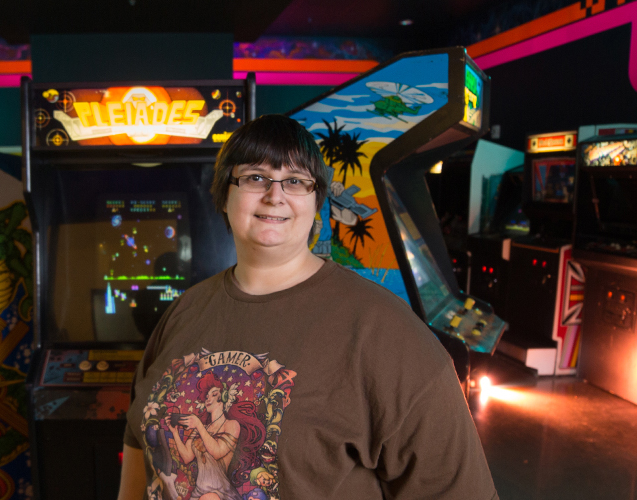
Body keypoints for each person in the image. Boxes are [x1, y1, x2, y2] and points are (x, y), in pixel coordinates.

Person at [118, 114, 497, 500]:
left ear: (317, 201)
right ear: (224, 193)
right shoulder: (184, 312)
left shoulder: (389, 335)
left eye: (296, 181)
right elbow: (138, 445)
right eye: (254, 177)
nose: (274, 195)